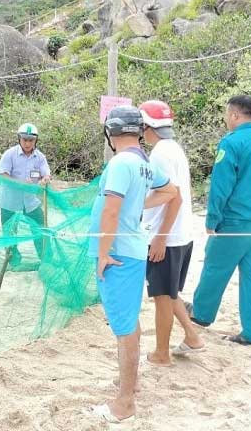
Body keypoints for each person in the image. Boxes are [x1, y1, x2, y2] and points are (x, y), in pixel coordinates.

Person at [88, 106, 178, 423]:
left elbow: (111, 212)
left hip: (119, 254)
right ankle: (132, 384)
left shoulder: (121, 162)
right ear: (138, 131)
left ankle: (124, 403)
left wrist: (102, 253)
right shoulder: (142, 161)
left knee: (124, 329)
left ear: (110, 135)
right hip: (132, 250)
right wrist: (139, 204)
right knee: (130, 322)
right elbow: (170, 191)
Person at [189, 95, 251, 345]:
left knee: (215, 265)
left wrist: (212, 218)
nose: (226, 119)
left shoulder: (232, 142)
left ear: (235, 115)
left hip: (237, 221)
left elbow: (221, 185)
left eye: (227, 114)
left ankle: (201, 314)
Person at [139, 100, 204, 366]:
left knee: (162, 298)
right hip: (181, 234)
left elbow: (173, 197)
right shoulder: (173, 148)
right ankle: (192, 336)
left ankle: (161, 354)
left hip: (168, 236)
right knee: (168, 292)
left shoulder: (160, 154)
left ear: (147, 126)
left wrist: (160, 238)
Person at [0, 123, 51, 266]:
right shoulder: (9, 154)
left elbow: (45, 173)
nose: (27, 143)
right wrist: (21, 183)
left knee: (41, 228)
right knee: (10, 233)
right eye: (24, 139)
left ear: (36, 141)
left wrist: (45, 178)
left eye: (31, 140)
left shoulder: (40, 157)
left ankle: (46, 260)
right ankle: (13, 261)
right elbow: (2, 175)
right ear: (19, 139)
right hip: (9, 201)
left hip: (30, 202)